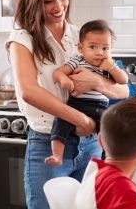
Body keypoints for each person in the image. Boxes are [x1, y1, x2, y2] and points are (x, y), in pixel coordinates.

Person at [4, 0, 129, 209]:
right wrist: (77, 117)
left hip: (88, 146)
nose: (58, 6)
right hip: (49, 144)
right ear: (33, 2)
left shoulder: (81, 36)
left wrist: (99, 83)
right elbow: (29, 90)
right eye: (48, 1)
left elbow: (124, 90)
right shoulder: (22, 39)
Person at [44, 19, 128, 165]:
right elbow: (57, 73)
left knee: (110, 128)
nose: (100, 53)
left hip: (100, 108)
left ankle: (109, 159)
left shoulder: (108, 65)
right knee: (60, 121)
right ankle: (57, 155)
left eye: (105, 48)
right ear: (81, 48)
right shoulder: (78, 60)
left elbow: (124, 81)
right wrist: (64, 80)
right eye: (93, 47)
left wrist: (112, 67)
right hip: (77, 105)